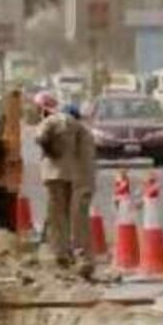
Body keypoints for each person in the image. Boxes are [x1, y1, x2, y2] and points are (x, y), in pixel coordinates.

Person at [34, 92, 81, 265]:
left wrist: (50, 150)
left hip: (54, 174)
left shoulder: (50, 122)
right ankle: (67, 249)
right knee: (65, 213)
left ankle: (59, 253)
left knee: (55, 214)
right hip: (70, 173)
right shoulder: (73, 125)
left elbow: (39, 138)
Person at [64, 104, 97, 274]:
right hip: (82, 183)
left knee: (78, 221)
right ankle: (83, 257)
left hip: (81, 184)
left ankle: (84, 259)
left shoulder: (77, 132)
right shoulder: (83, 132)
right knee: (78, 220)